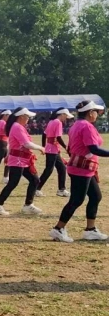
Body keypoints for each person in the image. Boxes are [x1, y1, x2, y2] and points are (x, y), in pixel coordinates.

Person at [49, 100, 109, 242]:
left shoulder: (77, 124)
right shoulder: (86, 126)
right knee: (76, 200)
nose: (97, 114)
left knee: (95, 196)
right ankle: (58, 229)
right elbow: (94, 148)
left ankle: (90, 230)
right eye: (96, 112)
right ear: (90, 113)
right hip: (82, 168)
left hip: (83, 167)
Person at [0, 107, 45, 215]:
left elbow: (13, 143)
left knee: (35, 180)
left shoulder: (18, 126)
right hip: (18, 160)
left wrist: (7, 155)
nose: (28, 118)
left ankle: (28, 205)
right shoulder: (17, 127)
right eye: (27, 116)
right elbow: (26, 144)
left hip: (23, 160)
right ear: (21, 116)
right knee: (13, 183)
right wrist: (40, 148)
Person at [38, 108, 74, 197]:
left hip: (51, 149)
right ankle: (36, 188)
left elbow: (44, 134)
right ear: (62, 114)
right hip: (53, 150)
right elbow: (58, 137)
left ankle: (61, 189)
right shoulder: (58, 122)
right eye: (66, 116)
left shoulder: (51, 122)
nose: (66, 118)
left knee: (61, 168)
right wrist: (66, 147)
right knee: (49, 170)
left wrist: (43, 146)